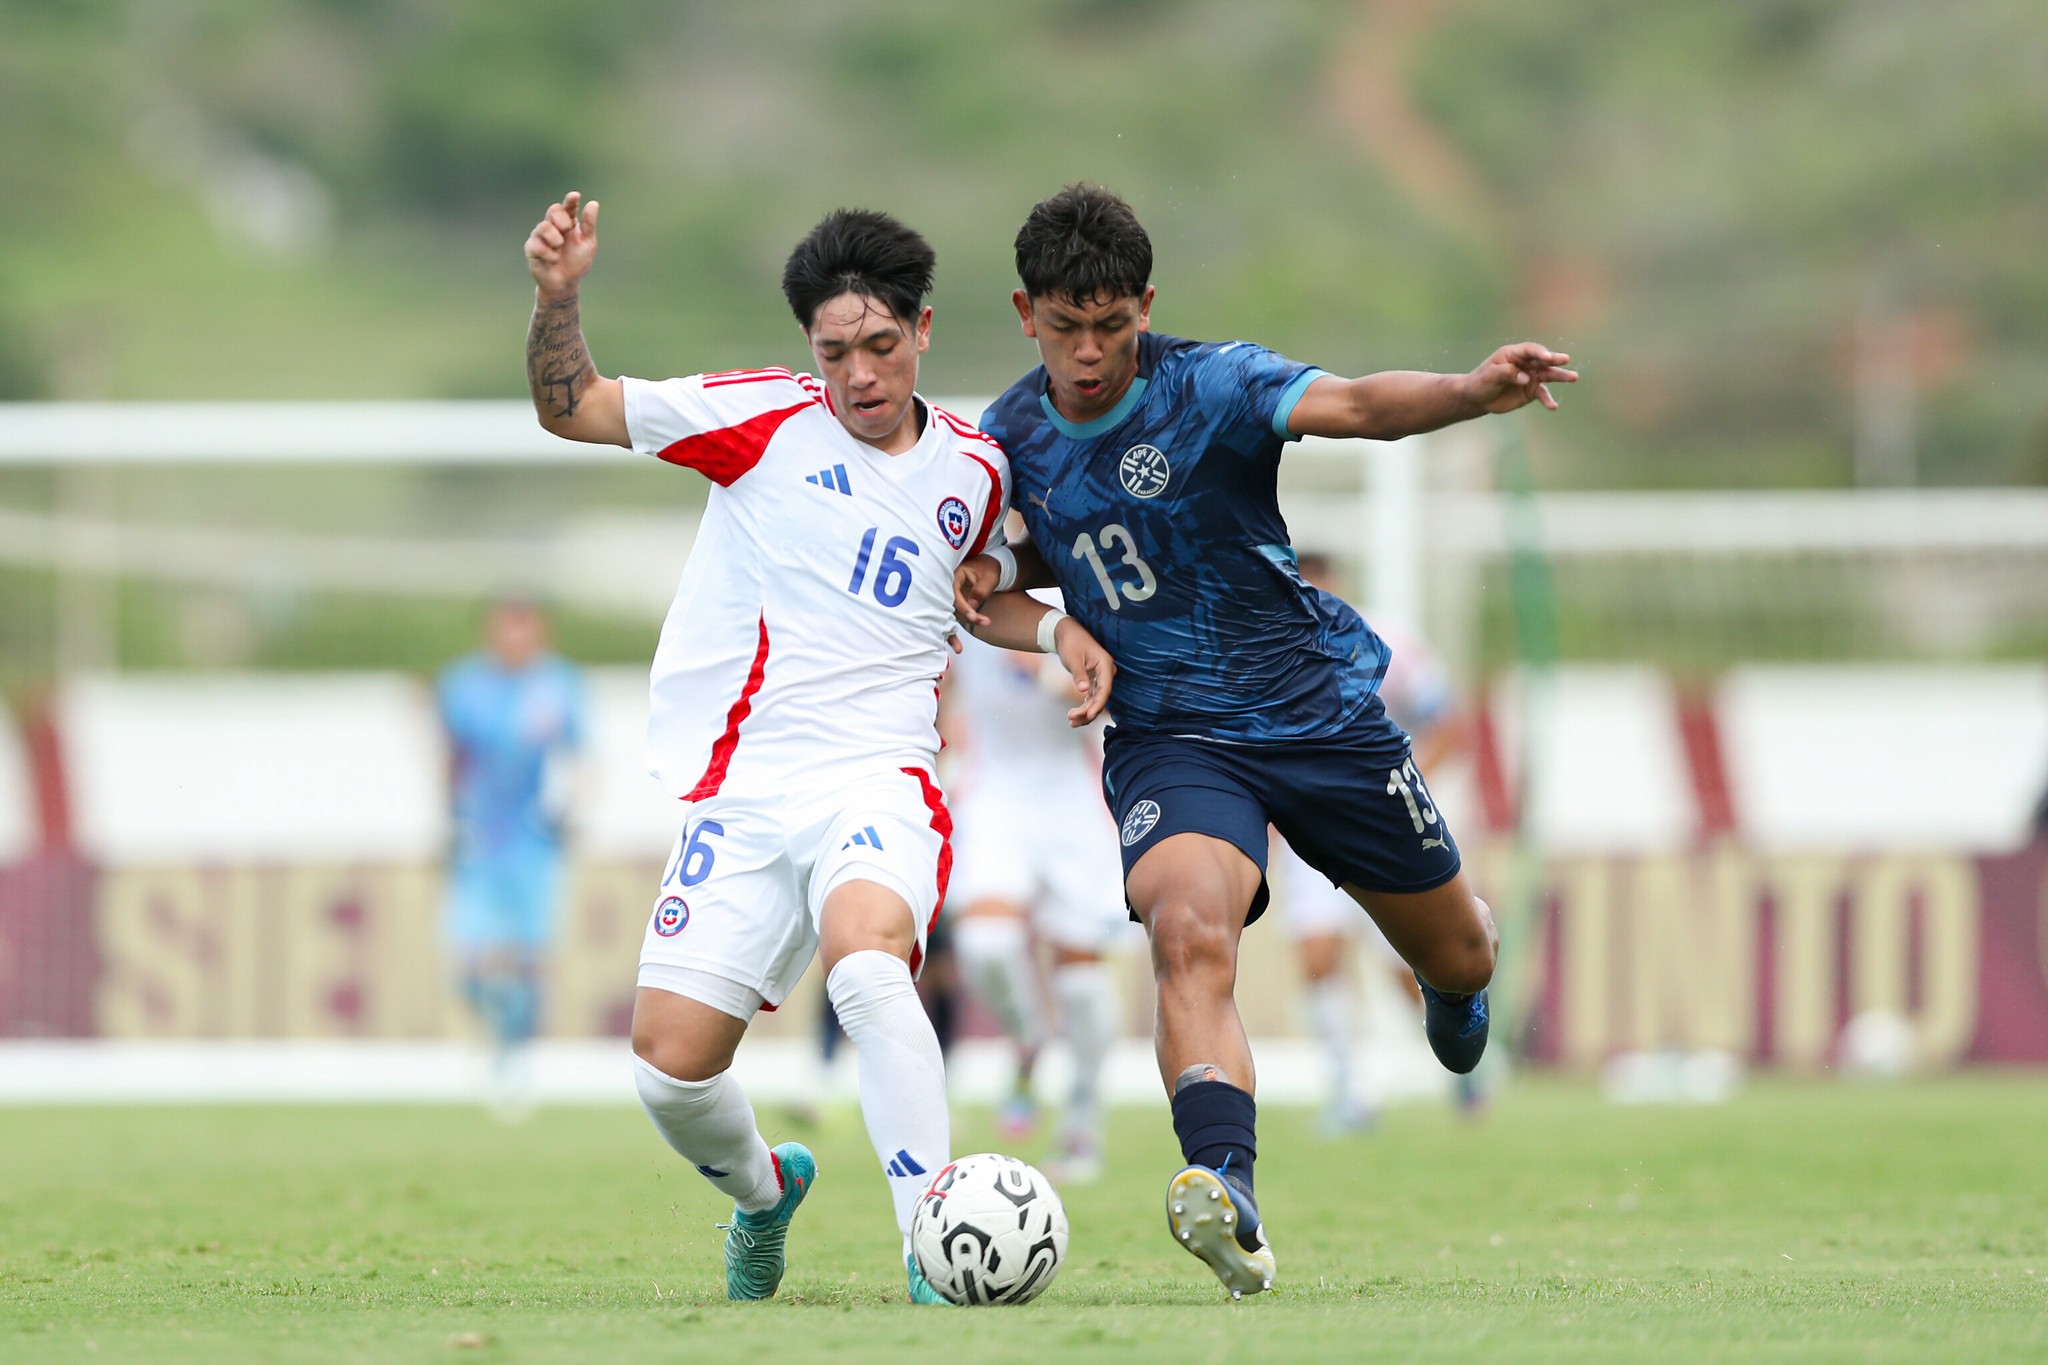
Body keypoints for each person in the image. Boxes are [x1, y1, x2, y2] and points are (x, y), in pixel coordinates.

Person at [955, 183, 1576, 1298]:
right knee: (1185, 931)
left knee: (1458, 955)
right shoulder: (1008, 438)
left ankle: (1455, 974)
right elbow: (1006, 572)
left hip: (1318, 716)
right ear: (1023, 313)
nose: (1089, 352)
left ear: (1145, 305)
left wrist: (1469, 393)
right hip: (1172, 739)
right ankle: (1225, 1186)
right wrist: (1018, 596)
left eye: (1110, 324)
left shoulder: (1212, 384)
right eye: (1064, 327)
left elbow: (1357, 407)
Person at [522, 191, 1115, 1304]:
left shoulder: (977, 471)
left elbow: (980, 600)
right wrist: (558, 300)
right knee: (667, 1072)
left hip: (880, 777)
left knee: (866, 962)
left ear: (922, 331)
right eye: (834, 351)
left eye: (880, 346)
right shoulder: (753, 420)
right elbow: (572, 408)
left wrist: (1057, 630)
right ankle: (762, 1194)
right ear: (810, 348)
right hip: (744, 790)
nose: (858, 375)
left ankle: (928, 1251)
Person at [943, 530, 1127, 1182]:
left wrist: (1048, 669)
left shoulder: (1079, 589)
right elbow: (942, 690)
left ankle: (1082, 1128)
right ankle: (1028, 1037)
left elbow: (1106, 692)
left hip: (1071, 799)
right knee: (987, 944)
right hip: (994, 793)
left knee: (1082, 978)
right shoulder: (960, 584)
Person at [1272, 558, 1473, 1134]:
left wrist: (1408, 781)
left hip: (1388, 820)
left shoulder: (1389, 641)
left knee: (1410, 966)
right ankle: (1347, 1093)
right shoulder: (1269, 646)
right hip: (1311, 825)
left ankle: (1464, 1067)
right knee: (1317, 956)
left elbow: (1450, 722)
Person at [437, 593, 587, 1119]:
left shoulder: (559, 686)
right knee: (468, 965)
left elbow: (581, 758)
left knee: (530, 960)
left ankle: (516, 1061)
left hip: (532, 842)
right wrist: (447, 819)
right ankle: (495, 1040)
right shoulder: (464, 686)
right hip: (481, 839)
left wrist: (571, 809)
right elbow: (452, 758)